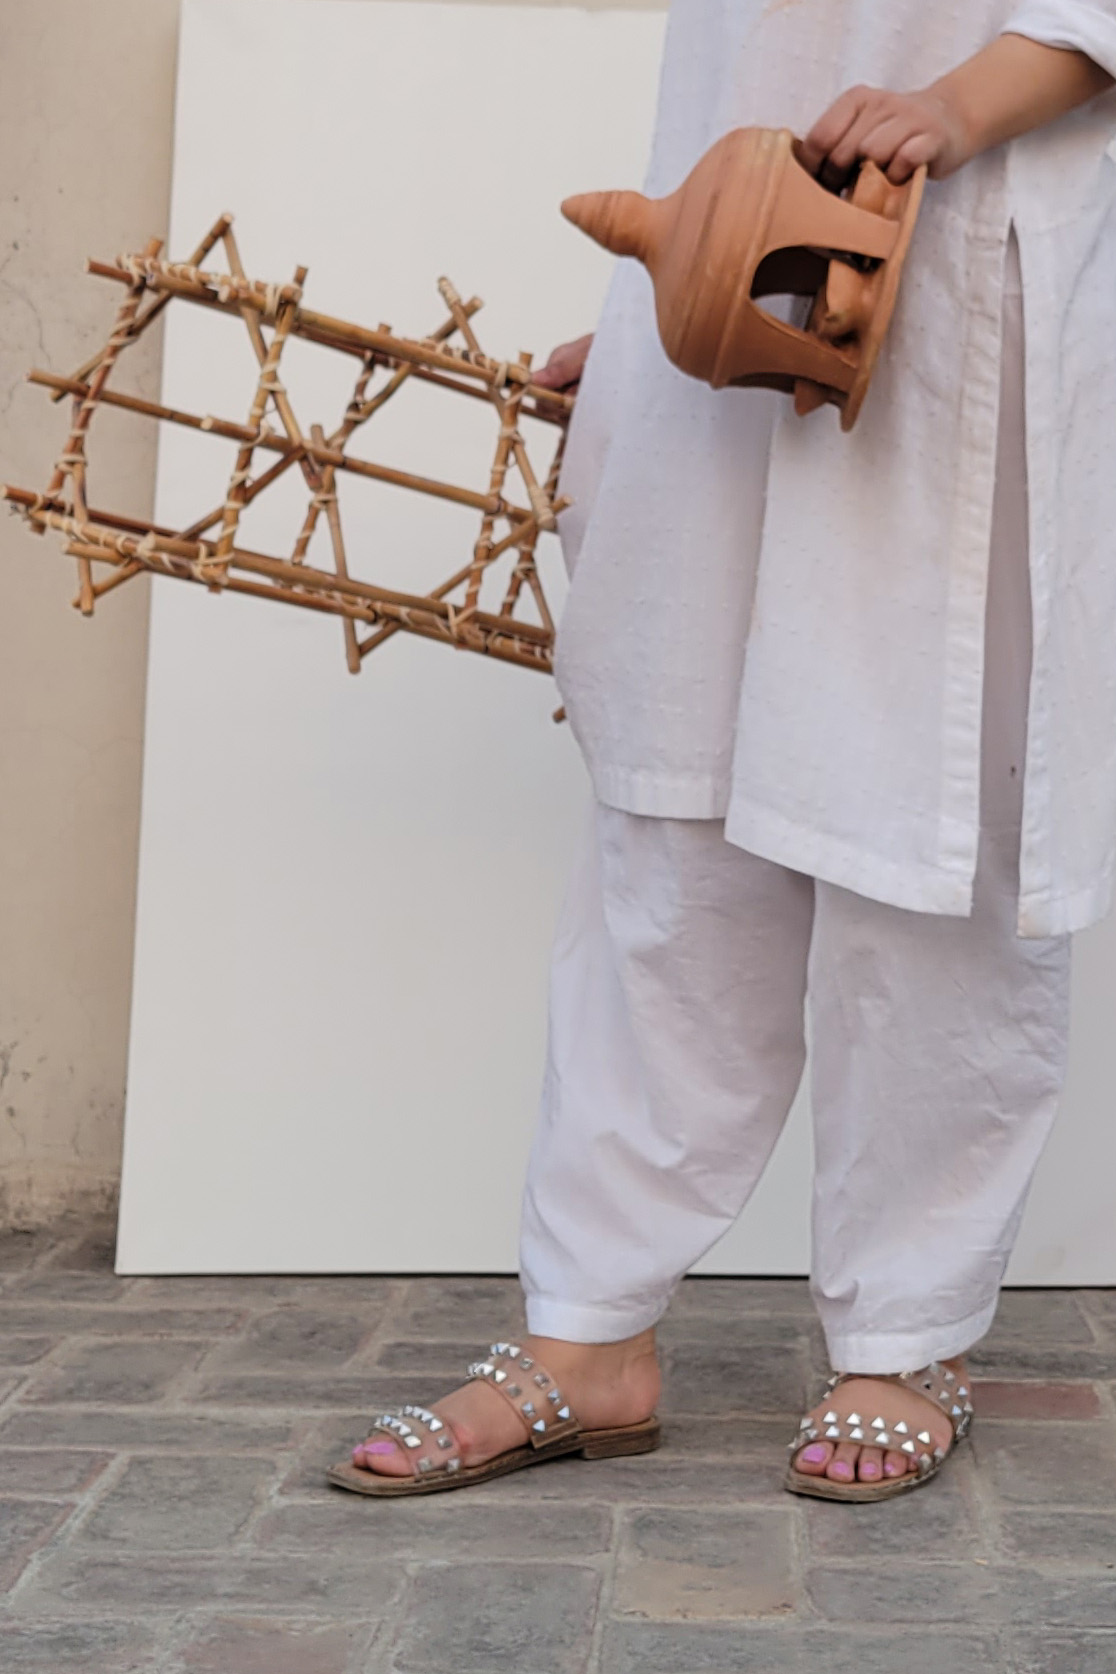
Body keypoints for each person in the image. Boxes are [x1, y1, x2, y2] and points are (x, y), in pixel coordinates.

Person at [331, 3, 1116, 1502]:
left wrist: (956, 107)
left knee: (920, 828)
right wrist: (671, 299)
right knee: (668, 822)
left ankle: (906, 1335)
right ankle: (588, 1332)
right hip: (729, 315)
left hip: (965, 303)